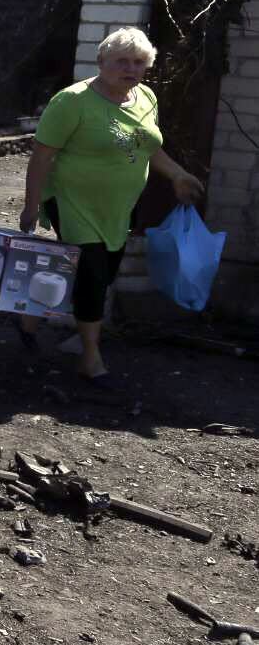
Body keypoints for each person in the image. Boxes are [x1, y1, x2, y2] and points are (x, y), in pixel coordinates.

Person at [16, 27, 204, 384]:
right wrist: (31, 205)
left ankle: (33, 313)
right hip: (73, 201)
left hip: (119, 205)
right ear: (101, 61)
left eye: (138, 62)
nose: (130, 69)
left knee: (101, 275)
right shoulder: (71, 102)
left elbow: (148, 147)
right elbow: (41, 157)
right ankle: (90, 355)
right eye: (121, 61)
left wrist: (178, 175)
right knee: (92, 275)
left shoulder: (146, 97)